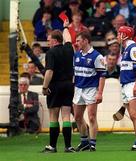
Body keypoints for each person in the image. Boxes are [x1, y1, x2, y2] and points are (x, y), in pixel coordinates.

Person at [42, 21, 75, 153]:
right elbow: (68, 38)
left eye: (49, 40)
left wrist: (45, 87)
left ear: (55, 41)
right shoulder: (69, 48)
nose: (48, 43)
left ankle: (52, 146)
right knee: (66, 116)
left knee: (53, 116)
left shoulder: (51, 53)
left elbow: (49, 71)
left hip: (55, 86)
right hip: (68, 85)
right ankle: (68, 146)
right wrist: (66, 27)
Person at [73, 31, 106, 151]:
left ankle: (92, 143)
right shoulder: (76, 55)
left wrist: (100, 92)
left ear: (85, 41)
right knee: (77, 117)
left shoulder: (97, 56)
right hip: (78, 89)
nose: (76, 43)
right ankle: (84, 141)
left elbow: (102, 76)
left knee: (92, 117)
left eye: (78, 41)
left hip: (91, 89)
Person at [117, 26, 136, 151]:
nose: (117, 36)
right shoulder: (125, 50)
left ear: (125, 35)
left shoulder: (133, 48)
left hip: (133, 83)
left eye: (119, 34)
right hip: (126, 85)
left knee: (135, 114)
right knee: (133, 115)